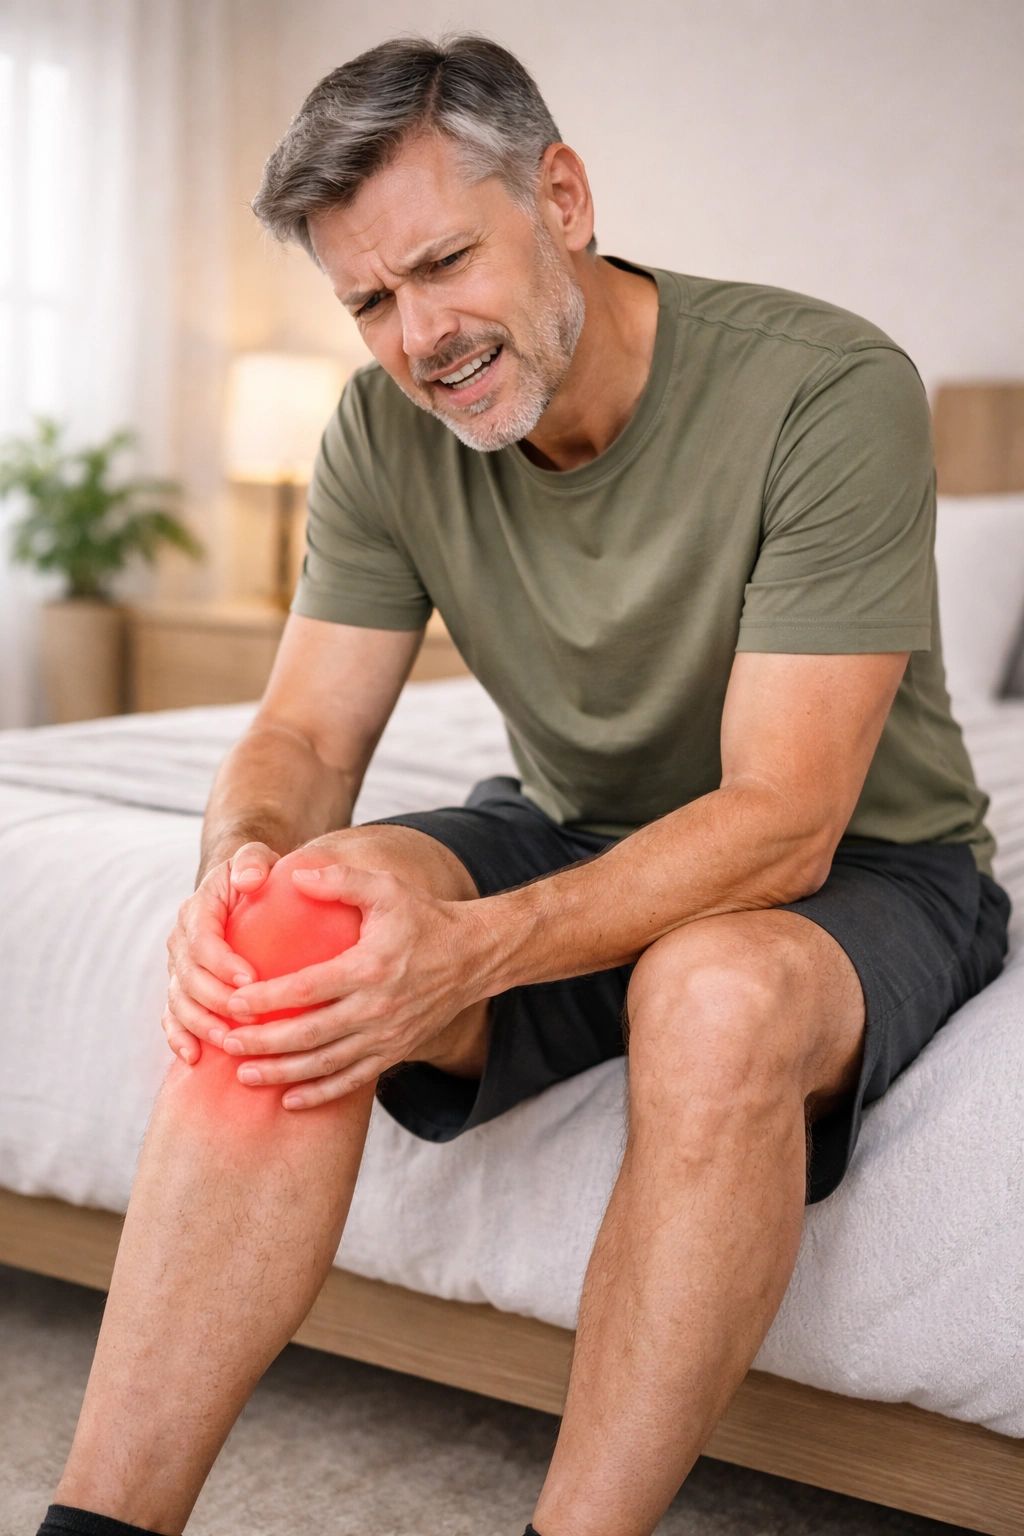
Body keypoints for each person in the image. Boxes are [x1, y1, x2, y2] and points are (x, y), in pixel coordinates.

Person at [37, 30, 1013, 1536]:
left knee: (715, 993)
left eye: (442, 263)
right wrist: (234, 866)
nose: (419, 336)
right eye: (370, 299)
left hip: (865, 866)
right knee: (284, 922)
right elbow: (299, 744)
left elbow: (785, 816)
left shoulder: (828, 390)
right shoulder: (381, 430)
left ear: (560, 196)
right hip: (568, 823)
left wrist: (473, 952)